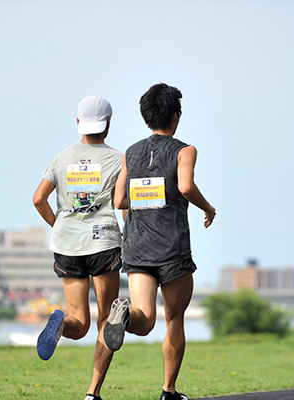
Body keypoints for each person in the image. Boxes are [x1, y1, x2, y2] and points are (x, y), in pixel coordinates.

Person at [104, 83, 216, 400]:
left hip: (137, 246)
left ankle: (123, 315)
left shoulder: (131, 153)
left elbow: (120, 200)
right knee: (173, 318)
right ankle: (169, 391)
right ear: (176, 116)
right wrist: (208, 207)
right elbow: (185, 186)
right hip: (172, 249)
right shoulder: (184, 150)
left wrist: (145, 197)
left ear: (147, 116)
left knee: (143, 318)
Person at [33, 95, 124, 400]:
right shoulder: (118, 159)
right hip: (103, 242)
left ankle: (61, 323)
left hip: (67, 244)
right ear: (108, 123)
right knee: (105, 320)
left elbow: (38, 199)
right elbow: (124, 202)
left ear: (78, 124)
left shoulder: (61, 158)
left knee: (79, 322)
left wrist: (57, 225)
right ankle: (93, 392)